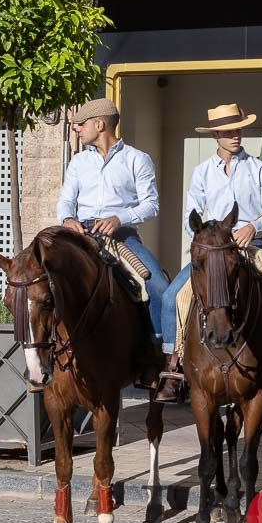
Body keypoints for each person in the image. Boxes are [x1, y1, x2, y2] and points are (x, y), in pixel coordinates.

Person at [157, 103, 262, 409]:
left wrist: (254, 226)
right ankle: (173, 368)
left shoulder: (259, 168)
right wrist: (212, 240)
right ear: (216, 135)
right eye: (228, 131)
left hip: (253, 249)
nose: (235, 135)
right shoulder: (201, 172)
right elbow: (191, 218)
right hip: (213, 252)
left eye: (238, 129)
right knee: (172, 296)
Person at [56, 97, 169, 347]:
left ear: (99, 125)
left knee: (160, 286)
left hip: (122, 236)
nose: (77, 129)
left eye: (81, 124)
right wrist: (67, 218)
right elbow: (64, 201)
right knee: (45, 278)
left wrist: (120, 218)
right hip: (81, 232)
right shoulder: (78, 162)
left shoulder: (137, 159)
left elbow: (151, 205)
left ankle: (158, 353)